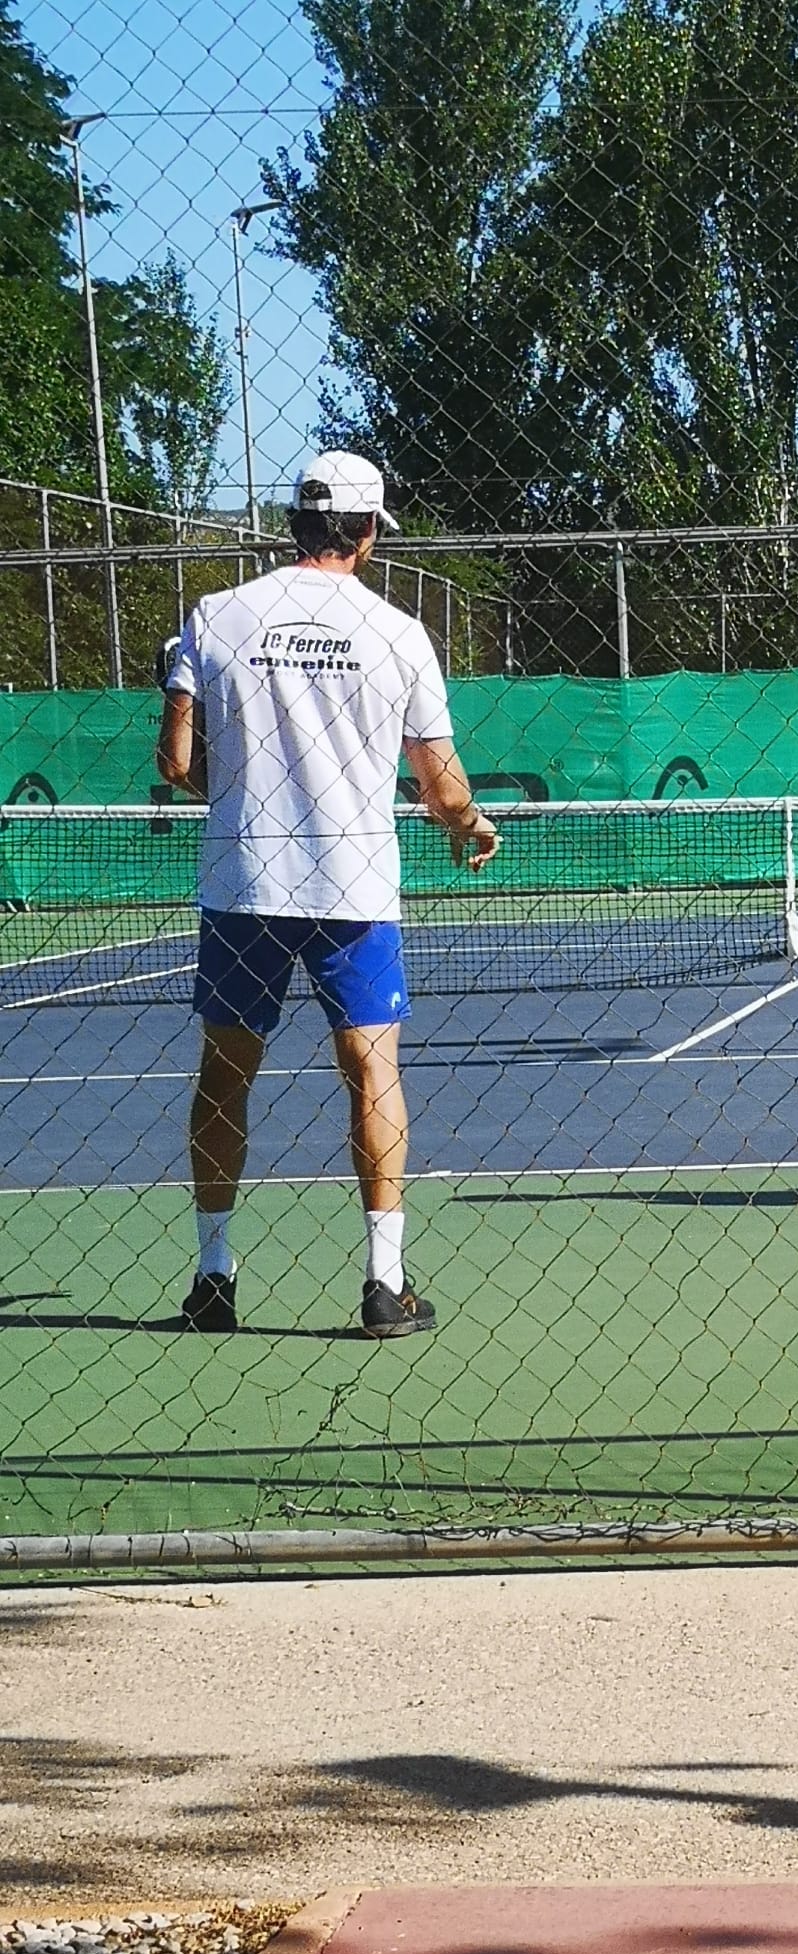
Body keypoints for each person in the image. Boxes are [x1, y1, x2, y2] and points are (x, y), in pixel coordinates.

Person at [155, 450, 499, 1338]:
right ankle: (385, 1285)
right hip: (353, 888)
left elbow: (180, 766)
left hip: (245, 881)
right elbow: (441, 786)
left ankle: (214, 1278)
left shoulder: (216, 616)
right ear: (371, 532)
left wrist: (201, 735)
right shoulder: (397, 632)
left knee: (225, 1076)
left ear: (294, 522)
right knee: (372, 1071)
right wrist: (469, 826)